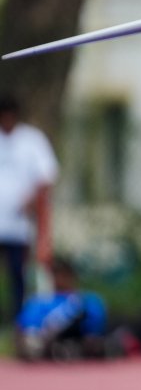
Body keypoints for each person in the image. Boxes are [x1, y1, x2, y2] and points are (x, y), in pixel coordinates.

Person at [0, 94, 58, 326]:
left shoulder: (31, 140)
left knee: (17, 275)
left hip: (17, 225)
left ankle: (18, 323)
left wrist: (33, 203)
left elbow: (46, 177)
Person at [14, 256, 107, 361]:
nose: (60, 278)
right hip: (46, 343)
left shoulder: (86, 300)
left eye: (64, 274)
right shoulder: (40, 302)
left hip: (78, 341)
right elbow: (27, 329)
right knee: (31, 344)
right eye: (57, 274)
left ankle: (70, 349)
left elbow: (95, 330)